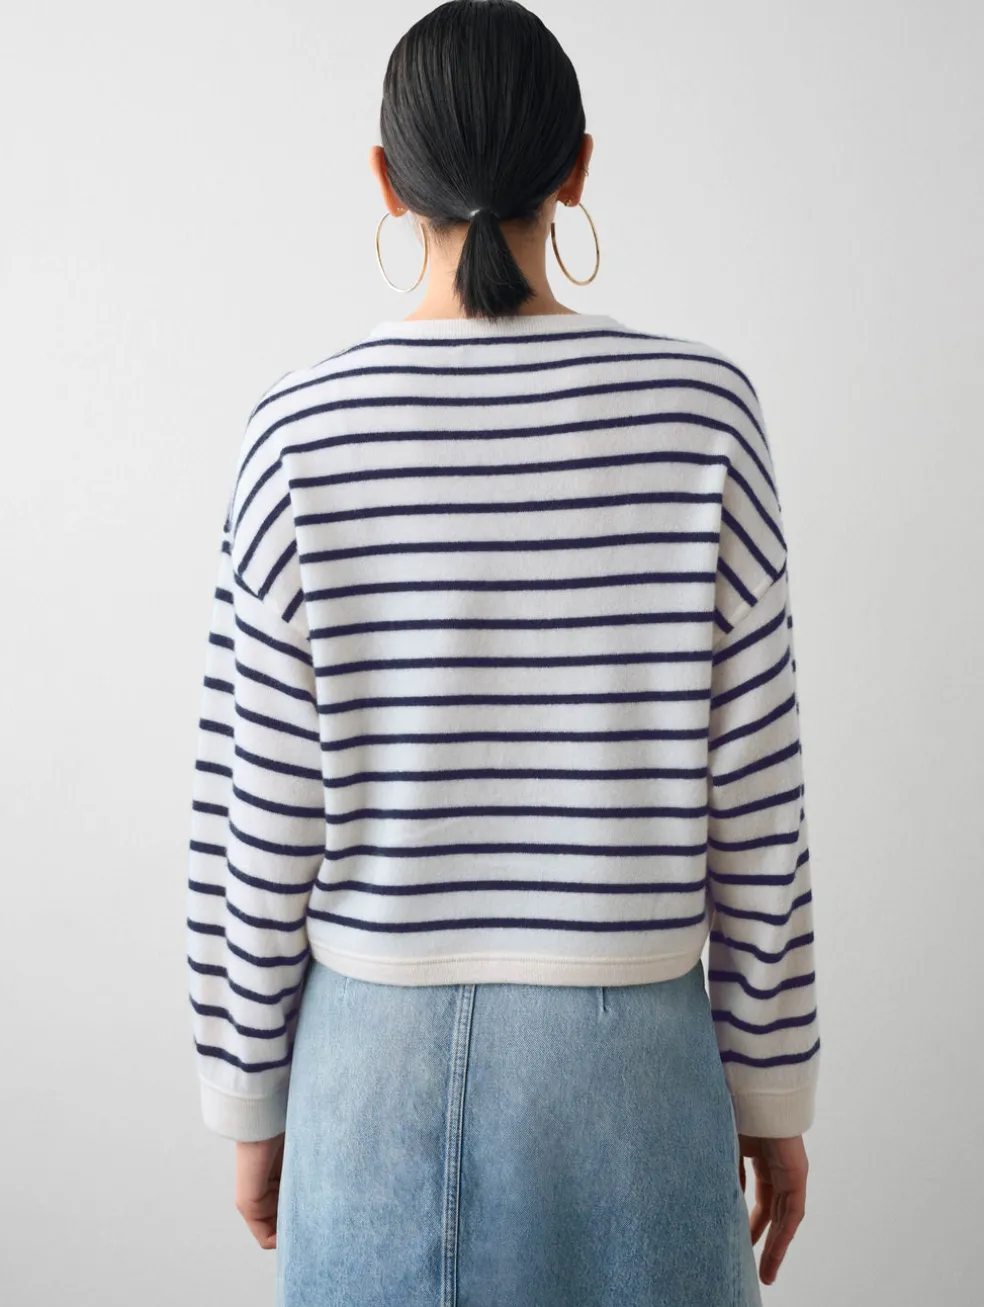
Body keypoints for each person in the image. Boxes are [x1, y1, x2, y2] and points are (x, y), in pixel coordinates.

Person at [185, 3, 820, 1303]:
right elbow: (760, 805)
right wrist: (772, 1093)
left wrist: (247, 1098)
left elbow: (255, 818)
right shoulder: (704, 412)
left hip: (366, 1071)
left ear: (387, 179)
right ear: (576, 168)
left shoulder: (297, 433)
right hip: (634, 1073)